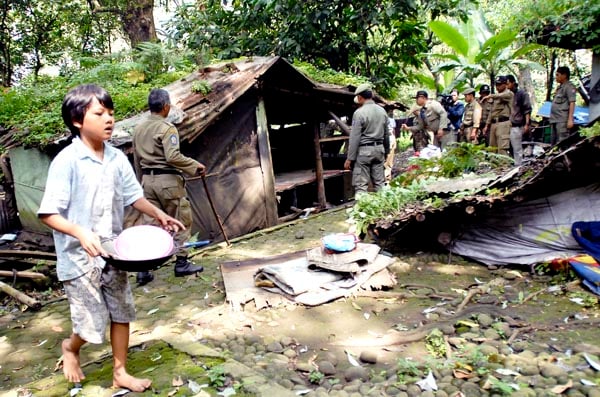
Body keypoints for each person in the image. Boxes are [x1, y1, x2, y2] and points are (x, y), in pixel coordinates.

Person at [37, 84, 185, 392]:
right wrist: (79, 231)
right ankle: (71, 347)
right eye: (99, 113)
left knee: (121, 311)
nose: (109, 120)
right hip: (78, 257)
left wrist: (159, 214)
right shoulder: (67, 162)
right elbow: (48, 213)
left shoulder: (117, 158)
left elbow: (134, 196)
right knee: (92, 325)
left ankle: (120, 372)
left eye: (111, 114)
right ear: (78, 120)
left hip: (113, 250)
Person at [132, 88, 206, 285]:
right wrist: (194, 165)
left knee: (151, 226)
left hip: (147, 182)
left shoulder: (138, 129)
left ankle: (144, 270)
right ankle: (181, 263)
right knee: (180, 220)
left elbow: (137, 159)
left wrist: (141, 183)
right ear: (166, 107)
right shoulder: (167, 128)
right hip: (168, 182)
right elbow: (172, 156)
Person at [344, 83, 389, 195]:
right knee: (380, 183)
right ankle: (386, 208)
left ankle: (362, 209)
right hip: (379, 150)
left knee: (361, 185)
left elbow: (355, 137)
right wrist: (386, 151)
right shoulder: (382, 111)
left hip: (364, 152)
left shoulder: (359, 113)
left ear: (359, 97)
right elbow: (386, 134)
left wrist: (350, 158)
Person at [483, 76, 513, 156]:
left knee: (502, 148)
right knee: (492, 149)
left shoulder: (509, 94)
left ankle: (504, 167)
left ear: (505, 84)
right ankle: (494, 167)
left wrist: (491, 96)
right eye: (496, 85)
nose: (497, 87)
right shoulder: (496, 96)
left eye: (499, 84)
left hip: (503, 123)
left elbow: (503, 96)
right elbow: (492, 112)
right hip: (493, 124)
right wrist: (487, 125)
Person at [506, 75, 532, 165]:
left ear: (513, 83)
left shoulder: (522, 94)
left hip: (518, 125)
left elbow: (527, 110)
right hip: (508, 125)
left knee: (517, 148)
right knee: (509, 148)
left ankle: (518, 167)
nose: (506, 86)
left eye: (508, 83)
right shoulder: (507, 95)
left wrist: (527, 124)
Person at [550, 66, 577, 145]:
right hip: (555, 120)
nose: (556, 77)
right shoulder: (560, 88)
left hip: (562, 121)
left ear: (564, 75)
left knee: (562, 143)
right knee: (554, 144)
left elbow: (572, 102)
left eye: (558, 75)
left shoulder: (569, 87)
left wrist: (570, 119)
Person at [384, 107, 397, 181]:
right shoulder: (391, 119)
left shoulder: (383, 119)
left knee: (387, 158)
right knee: (389, 158)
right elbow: (394, 131)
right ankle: (387, 177)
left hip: (388, 139)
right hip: (391, 138)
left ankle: (386, 177)